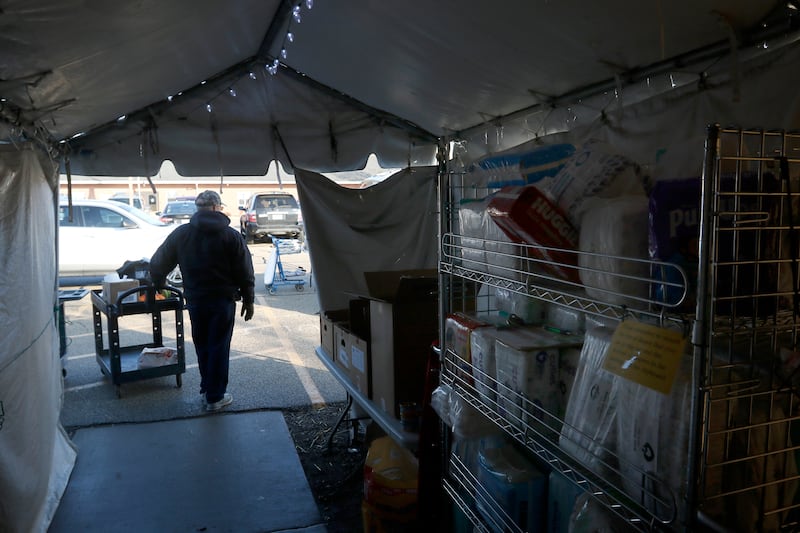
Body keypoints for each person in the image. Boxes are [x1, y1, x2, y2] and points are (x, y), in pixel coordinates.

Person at [149, 190, 255, 412]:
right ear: (217, 208)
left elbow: (158, 263)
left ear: (197, 209)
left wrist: (159, 285)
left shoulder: (181, 234)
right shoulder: (231, 236)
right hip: (223, 301)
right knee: (219, 346)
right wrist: (249, 299)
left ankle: (207, 390)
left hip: (196, 301)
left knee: (203, 345)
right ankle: (215, 396)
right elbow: (245, 271)